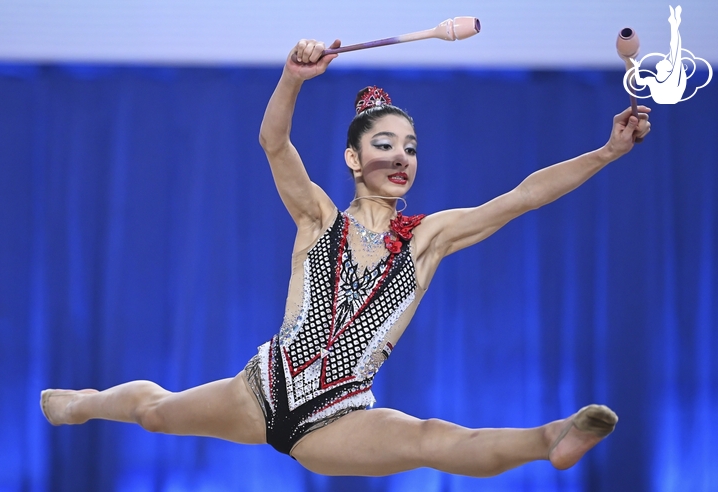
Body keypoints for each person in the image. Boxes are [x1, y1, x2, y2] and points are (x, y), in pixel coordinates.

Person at [40, 38, 651, 478]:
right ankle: (83, 403)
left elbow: (523, 196)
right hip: (262, 391)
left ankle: (549, 439)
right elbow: (273, 143)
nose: (400, 156)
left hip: (337, 417)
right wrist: (292, 78)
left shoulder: (427, 239)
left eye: (409, 147)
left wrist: (605, 152)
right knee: (154, 414)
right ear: (353, 160)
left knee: (432, 440)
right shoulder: (318, 218)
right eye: (383, 145)